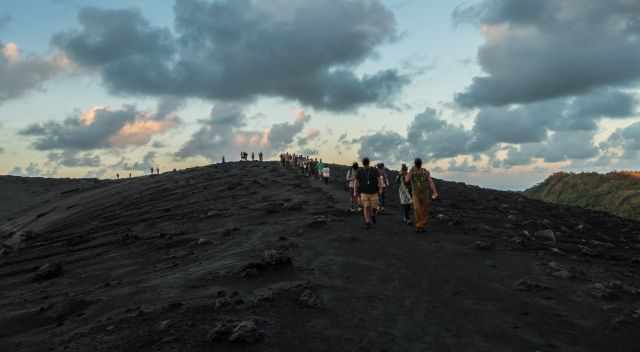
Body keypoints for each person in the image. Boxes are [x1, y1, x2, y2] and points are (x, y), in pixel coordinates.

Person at [405, 158, 439, 233]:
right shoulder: (412, 171)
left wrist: (434, 192)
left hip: (425, 193)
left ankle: (421, 225)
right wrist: (410, 173)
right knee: (417, 209)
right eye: (417, 164)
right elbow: (407, 180)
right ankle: (419, 225)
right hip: (415, 194)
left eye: (418, 163)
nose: (418, 165)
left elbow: (430, 182)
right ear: (415, 164)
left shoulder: (425, 171)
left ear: (420, 164)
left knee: (424, 210)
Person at [354, 157, 382, 229]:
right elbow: (356, 182)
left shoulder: (374, 170)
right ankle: (367, 222)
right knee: (366, 207)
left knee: (374, 207)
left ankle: (372, 215)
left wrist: (380, 188)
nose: (365, 165)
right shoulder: (360, 171)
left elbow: (379, 180)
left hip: (374, 192)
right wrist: (355, 191)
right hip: (364, 192)